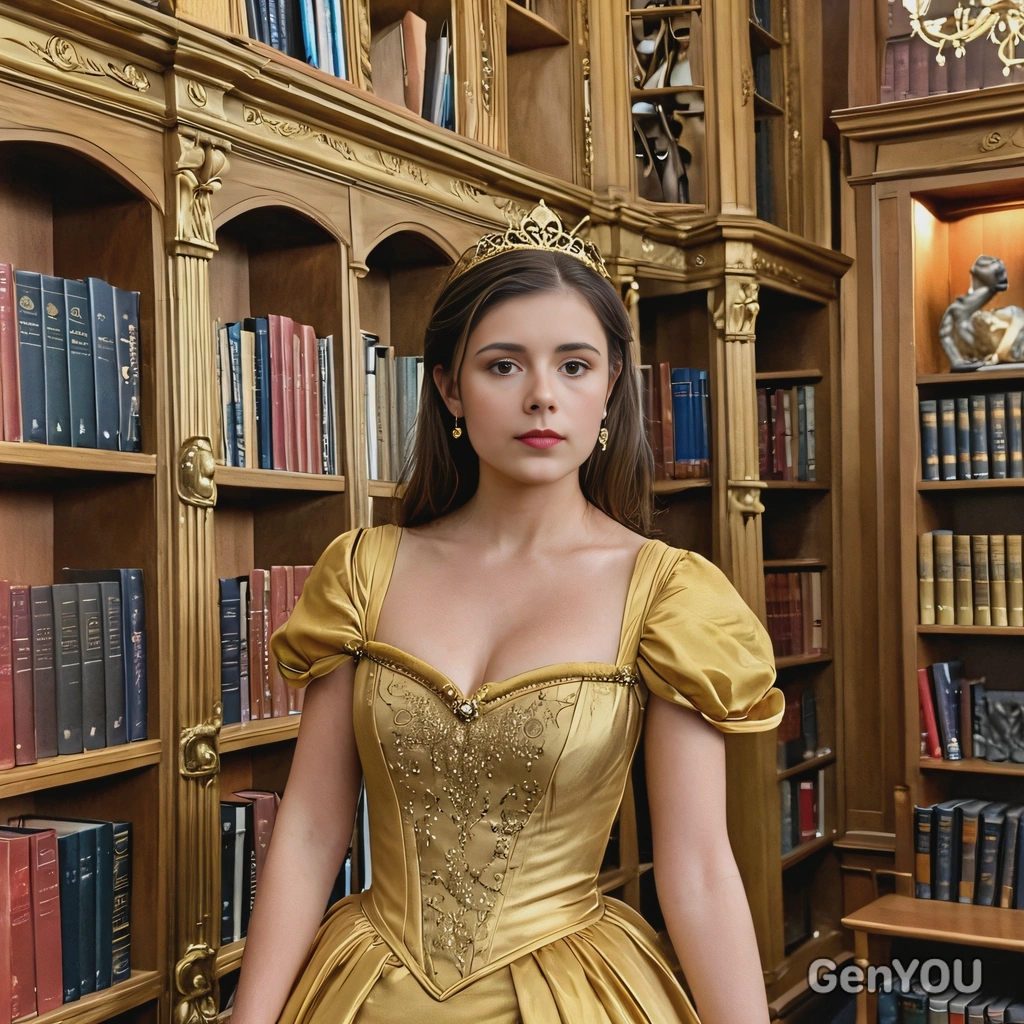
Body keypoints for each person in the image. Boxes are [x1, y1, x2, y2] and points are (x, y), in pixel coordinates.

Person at [230, 201, 782, 1024]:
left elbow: (698, 865)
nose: (541, 398)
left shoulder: (668, 595)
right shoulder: (362, 572)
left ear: (611, 385)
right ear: (450, 386)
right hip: (362, 991)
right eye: (502, 366)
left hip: (567, 998)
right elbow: (311, 831)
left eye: (573, 365)